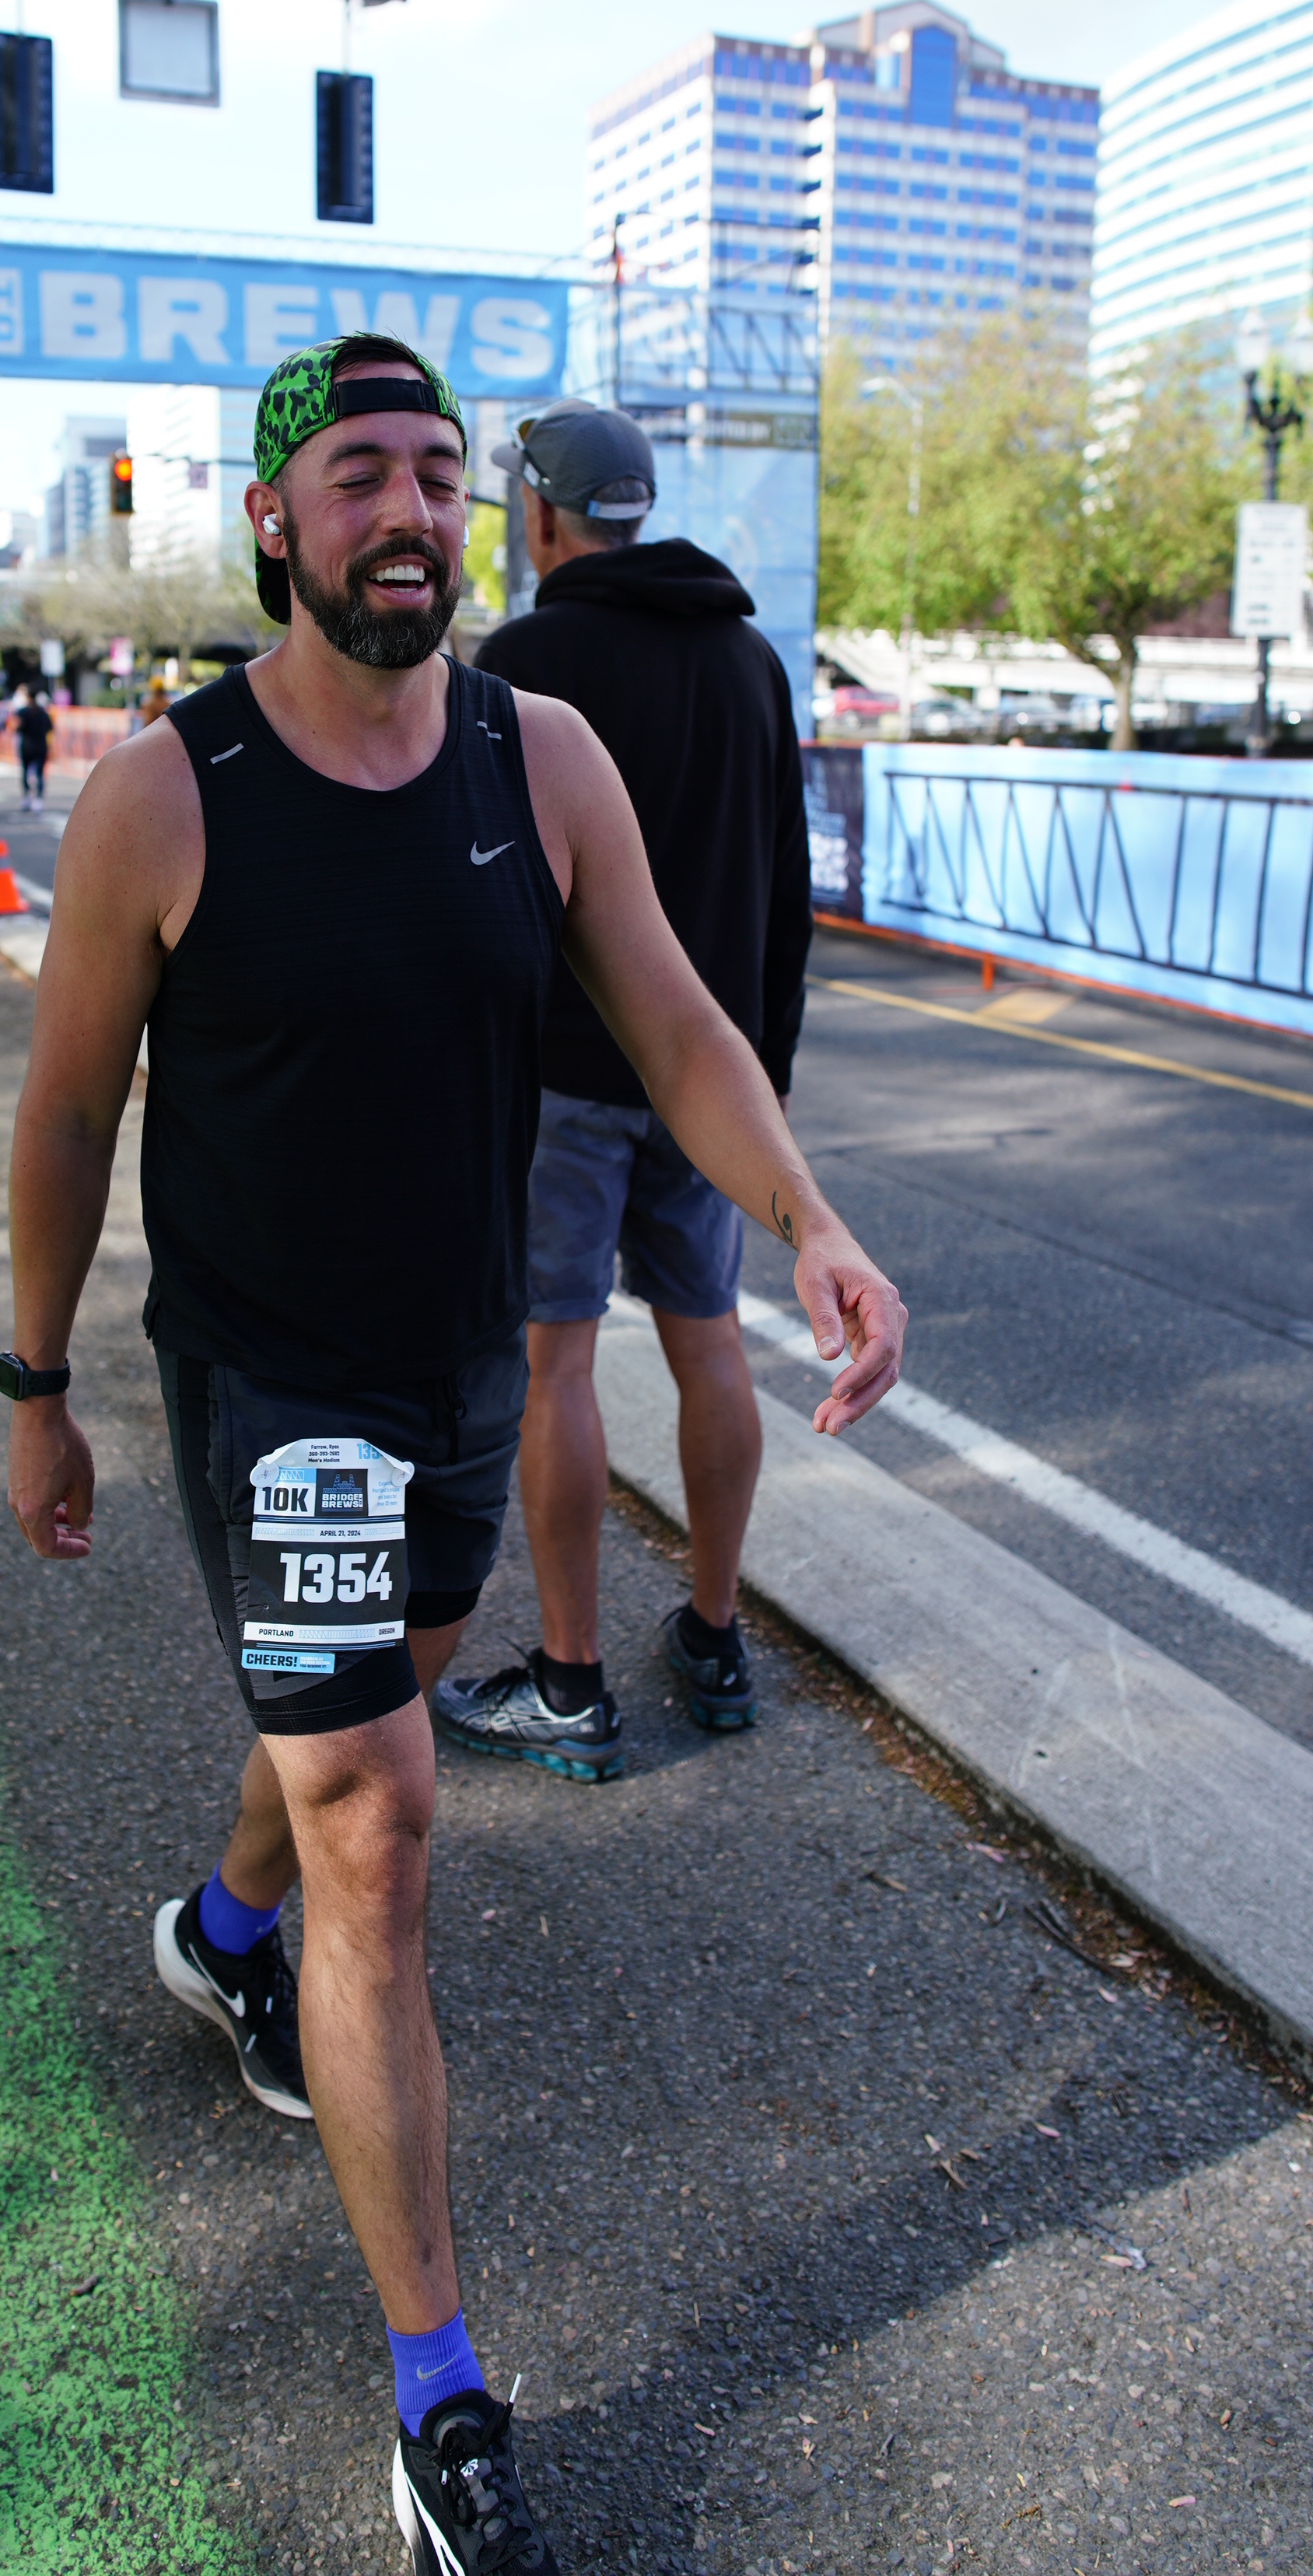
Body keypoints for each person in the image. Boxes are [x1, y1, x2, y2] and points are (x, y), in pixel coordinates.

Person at [2, 331, 904, 2574]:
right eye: (357, 475)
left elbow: (672, 1016)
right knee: (384, 1820)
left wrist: (808, 1221)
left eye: (434, 472)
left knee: (373, 1715)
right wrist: (32, 1382)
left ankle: (222, 1932)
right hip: (277, 1391)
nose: (405, 508)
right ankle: (441, 2401)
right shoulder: (169, 794)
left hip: (462, 1368)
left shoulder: (543, 753)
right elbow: (71, 1108)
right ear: (276, 524)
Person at [434, 402, 811, 1778]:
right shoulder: (748, 660)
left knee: (559, 1361)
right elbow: (785, 892)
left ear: (541, 517)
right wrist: (760, 1094)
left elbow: (473, 895)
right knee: (709, 1341)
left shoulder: (528, 664)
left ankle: (572, 1678)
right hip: (709, 1081)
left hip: (566, 1074)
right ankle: (713, 1635)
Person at [12, 683, 53, 805]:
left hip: (27, 746)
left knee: (25, 772)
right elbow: (49, 727)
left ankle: (27, 797)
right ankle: (38, 798)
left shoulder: (23, 712)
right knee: (39, 773)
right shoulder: (43, 712)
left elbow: (17, 727)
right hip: (40, 745)